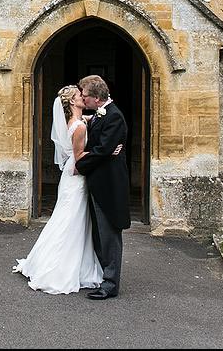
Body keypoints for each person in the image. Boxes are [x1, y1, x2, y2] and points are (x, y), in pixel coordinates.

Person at [12, 85, 103, 294]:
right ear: (72, 101)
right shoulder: (78, 127)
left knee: (71, 220)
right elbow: (79, 158)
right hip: (76, 179)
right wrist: (104, 155)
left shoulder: (79, 122)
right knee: (70, 221)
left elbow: (85, 121)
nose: (84, 97)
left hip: (70, 178)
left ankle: (67, 264)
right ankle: (56, 270)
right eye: (80, 95)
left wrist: (94, 117)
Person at [74, 75, 131, 300]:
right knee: (98, 233)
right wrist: (85, 121)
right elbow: (102, 146)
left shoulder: (114, 117)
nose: (83, 98)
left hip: (109, 185)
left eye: (85, 96)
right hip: (98, 182)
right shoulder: (101, 114)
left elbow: (103, 150)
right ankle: (102, 275)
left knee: (109, 234)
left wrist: (79, 164)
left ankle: (110, 284)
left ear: (97, 98)